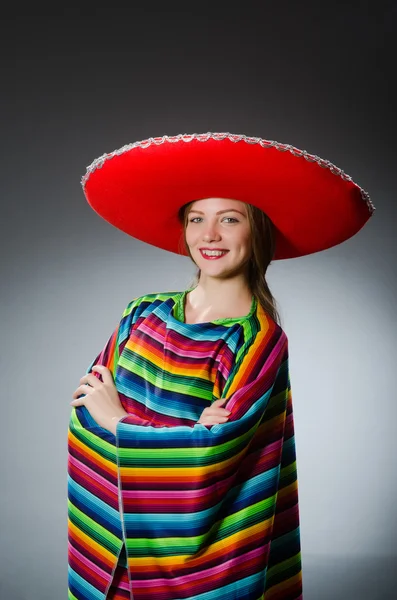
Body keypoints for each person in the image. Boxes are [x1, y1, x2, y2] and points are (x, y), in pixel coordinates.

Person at [67, 132, 375, 600]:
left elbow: (215, 456)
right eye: (196, 219)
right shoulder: (142, 313)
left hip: (197, 563)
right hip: (112, 542)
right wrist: (181, 433)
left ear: (258, 231)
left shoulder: (257, 340)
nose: (208, 235)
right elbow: (86, 404)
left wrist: (121, 422)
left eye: (229, 219)